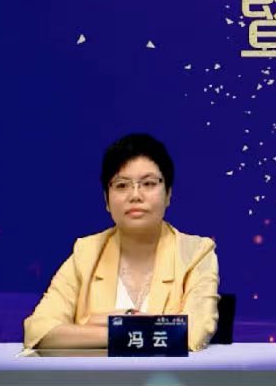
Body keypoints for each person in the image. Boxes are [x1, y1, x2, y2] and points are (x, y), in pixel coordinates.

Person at [23, 133, 220, 351]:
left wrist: (91, 327)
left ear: (168, 195)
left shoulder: (196, 253)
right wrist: (123, 326)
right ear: (106, 200)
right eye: (121, 185)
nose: (135, 195)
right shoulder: (86, 253)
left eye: (148, 183)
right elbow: (38, 330)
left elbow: (192, 334)